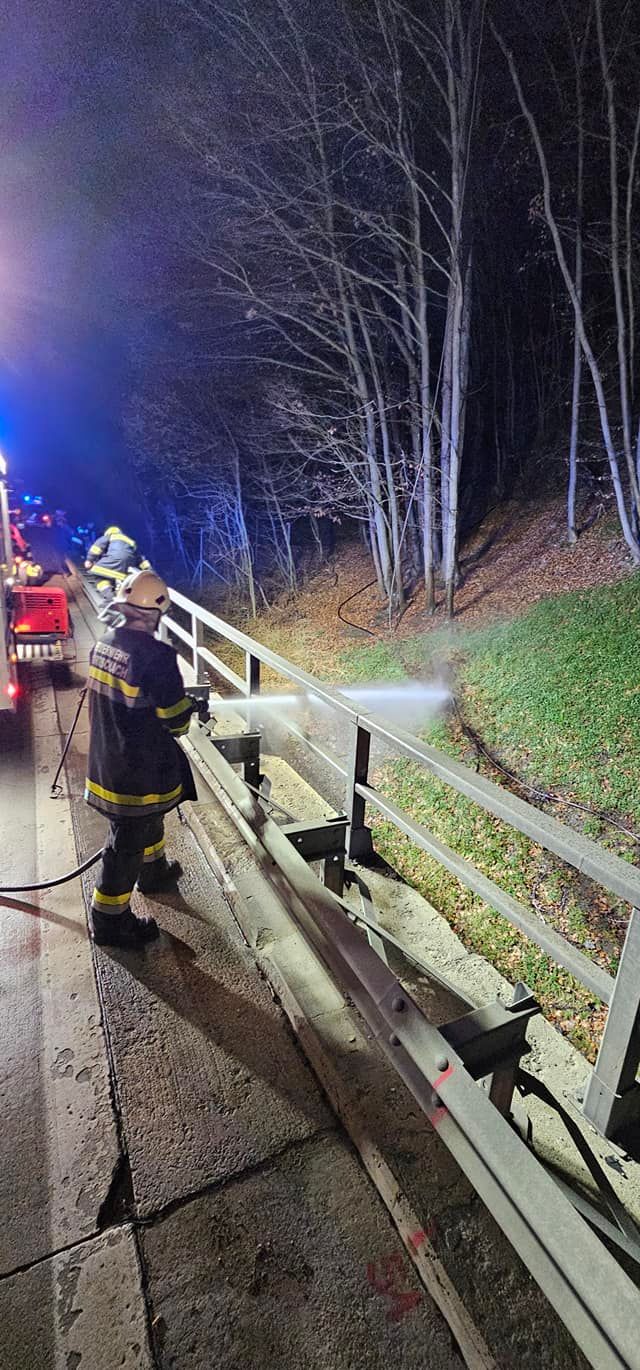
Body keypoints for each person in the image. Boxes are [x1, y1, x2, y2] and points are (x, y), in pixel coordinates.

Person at [85, 568, 197, 948]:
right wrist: (189, 708)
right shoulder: (159, 657)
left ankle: (154, 871)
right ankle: (109, 922)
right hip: (138, 773)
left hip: (106, 761)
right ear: (158, 612)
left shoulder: (103, 644)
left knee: (148, 820)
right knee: (125, 844)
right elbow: (176, 722)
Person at [84, 525, 151, 604]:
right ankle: (121, 596)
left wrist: (89, 560)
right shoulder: (131, 542)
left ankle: (110, 597)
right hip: (127, 569)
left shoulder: (110, 536)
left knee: (99, 576)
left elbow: (96, 548)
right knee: (114, 577)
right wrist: (149, 570)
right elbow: (140, 559)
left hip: (112, 562)